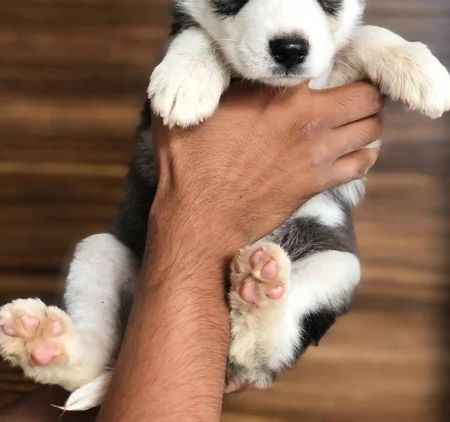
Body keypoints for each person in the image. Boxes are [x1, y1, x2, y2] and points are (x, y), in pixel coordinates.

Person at [0, 81, 383, 422]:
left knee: (339, 267)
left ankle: (263, 340)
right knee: (100, 252)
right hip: (165, 284)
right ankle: (89, 352)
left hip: (278, 275)